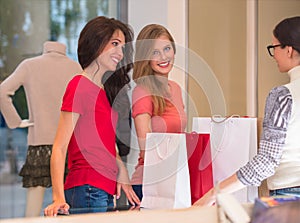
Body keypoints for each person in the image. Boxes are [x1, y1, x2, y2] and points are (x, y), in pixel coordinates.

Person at [194, 16, 300, 206]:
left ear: (289, 50)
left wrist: (213, 194)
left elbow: (267, 161)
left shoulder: (283, 96)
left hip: (290, 198)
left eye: (274, 47)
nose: (274, 54)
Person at [43, 16, 140, 217]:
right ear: (96, 43)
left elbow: (106, 142)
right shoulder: (79, 86)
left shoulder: (103, 91)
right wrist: (58, 197)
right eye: (115, 44)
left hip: (103, 188)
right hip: (87, 187)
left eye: (122, 47)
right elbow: (59, 147)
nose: (120, 53)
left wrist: (121, 170)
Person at [0, 41, 82, 217]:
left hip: (40, 144)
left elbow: (2, 91)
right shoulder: (76, 68)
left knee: (32, 209)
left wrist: (15, 122)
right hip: (69, 144)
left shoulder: (29, 66)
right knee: (70, 207)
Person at [130, 24, 187, 201]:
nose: (163, 57)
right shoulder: (142, 91)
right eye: (155, 52)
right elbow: (145, 145)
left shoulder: (175, 89)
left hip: (176, 178)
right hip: (150, 182)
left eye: (167, 49)